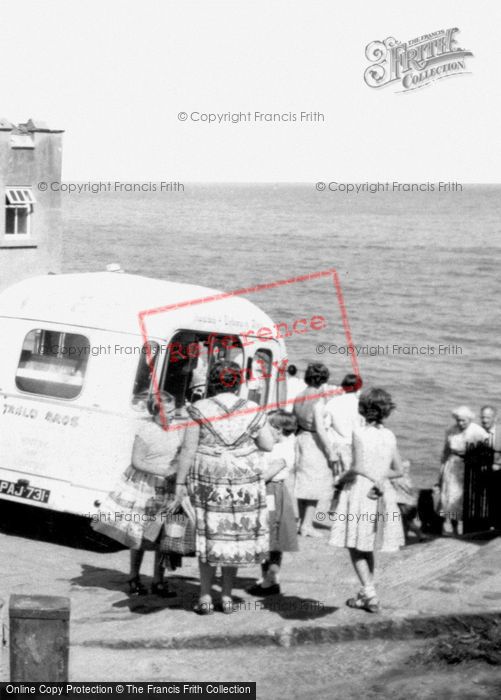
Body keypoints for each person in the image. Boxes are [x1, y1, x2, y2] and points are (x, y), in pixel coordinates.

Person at [171, 360, 275, 614]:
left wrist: (180, 483)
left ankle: (205, 596)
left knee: (209, 535)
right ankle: (227, 597)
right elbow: (268, 444)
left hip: (209, 476)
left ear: (213, 381)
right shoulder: (252, 408)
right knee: (234, 536)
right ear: (238, 381)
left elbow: (188, 450)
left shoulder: (199, 408)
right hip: (242, 480)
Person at [92, 391, 187, 597]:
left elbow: (179, 454)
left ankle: (158, 580)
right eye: (168, 412)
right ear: (156, 412)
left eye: (174, 410)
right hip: (146, 486)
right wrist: (163, 471)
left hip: (166, 486)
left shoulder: (175, 430)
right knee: (140, 534)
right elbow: (137, 461)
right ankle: (134, 576)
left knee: (163, 533)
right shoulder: (146, 430)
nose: (173, 415)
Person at [329, 387, 404, 613]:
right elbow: (398, 470)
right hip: (381, 491)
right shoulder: (389, 435)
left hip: (361, 490)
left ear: (363, 409)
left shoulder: (359, 433)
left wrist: (340, 479)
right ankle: (366, 593)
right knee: (368, 544)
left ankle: (370, 593)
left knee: (354, 545)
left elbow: (358, 467)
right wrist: (380, 475)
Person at [248, 410, 299, 596]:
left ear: (278, 429)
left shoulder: (284, 449)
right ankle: (267, 578)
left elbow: (268, 474)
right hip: (270, 491)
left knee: (272, 537)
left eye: (268, 426)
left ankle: (271, 579)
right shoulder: (277, 444)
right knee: (267, 537)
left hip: (272, 492)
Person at [293, 362, 338, 537]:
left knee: (302, 482)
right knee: (314, 484)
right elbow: (320, 429)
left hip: (300, 438)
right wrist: (331, 451)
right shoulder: (318, 402)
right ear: (323, 379)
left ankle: (302, 522)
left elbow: (295, 420)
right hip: (314, 441)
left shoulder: (298, 396)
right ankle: (306, 525)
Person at [438, 406, 488, 536]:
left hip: (469, 466)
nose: (460, 423)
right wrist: (442, 468)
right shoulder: (450, 430)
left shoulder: (478, 431)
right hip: (452, 464)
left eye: (463, 421)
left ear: (469, 419)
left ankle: (466, 527)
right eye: (458, 420)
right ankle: (451, 526)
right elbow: (446, 450)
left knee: (464, 498)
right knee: (448, 497)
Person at [325, 373, 364, 475]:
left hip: (336, 446)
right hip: (355, 447)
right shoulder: (361, 406)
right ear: (359, 388)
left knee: (336, 477)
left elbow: (325, 426)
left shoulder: (332, 403)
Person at [392, 459, 424, 543]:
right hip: (412, 503)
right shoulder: (409, 479)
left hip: (404, 502)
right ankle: (405, 537)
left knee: (407, 522)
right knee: (405, 521)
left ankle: (420, 534)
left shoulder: (398, 479)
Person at [480, 405, 501, 530]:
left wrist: (499, 464)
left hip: (498, 471)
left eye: (488, 417)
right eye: (482, 417)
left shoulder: (500, 432)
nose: (485, 420)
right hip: (482, 472)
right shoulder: (478, 431)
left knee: (497, 499)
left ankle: (497, 526)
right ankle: (487, 525)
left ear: (495, 418)